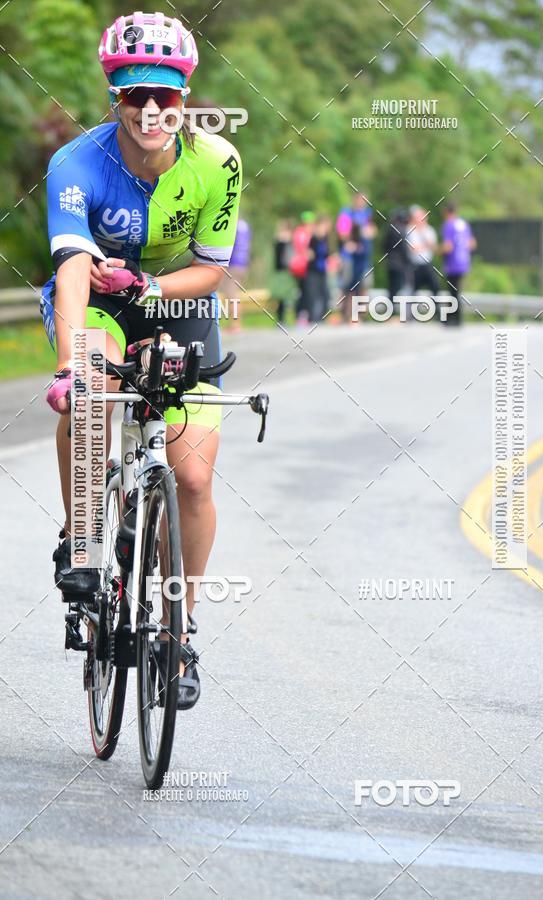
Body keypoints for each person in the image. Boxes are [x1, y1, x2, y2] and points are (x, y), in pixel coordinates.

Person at [41, 11, 242, 710]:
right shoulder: (75, 164)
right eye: (135, 95)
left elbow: (212, 269)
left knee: (194, 477)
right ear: (114, 98)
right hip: (96, 302)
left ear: (184, 98)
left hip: (174, 299)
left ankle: (179, 634)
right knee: (91, 387)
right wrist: (71, 366)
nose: (151, 109)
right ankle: (82, 540)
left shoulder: (217, 162)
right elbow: (72, 268)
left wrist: (150, 285)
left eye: (165, 95)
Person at [441, 203, 477, 326]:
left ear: (446, 212)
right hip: (464, 261)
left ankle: (453, 319)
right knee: (457, 290)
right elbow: (472, 243)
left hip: (452, 263)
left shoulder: (448, 225)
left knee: (452, 291)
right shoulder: (464, 224)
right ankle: (455, 318)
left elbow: (448, 246)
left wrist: (438, 251)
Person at [220, 216, 251, 331]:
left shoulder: (233, 225)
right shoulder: (245, 226)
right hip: (243, 263)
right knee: (235, 294)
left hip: (233, 264)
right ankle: (235, 323)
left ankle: (235, 324)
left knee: (232, 295)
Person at [269, 219, 297, 324]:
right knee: (280, 297)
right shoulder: (278, 242)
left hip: (287, 273)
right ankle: (281, 319)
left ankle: (286, 318)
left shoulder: (289, 242)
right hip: (280, 273)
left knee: (287, 297)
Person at [289, 211, 314, 324]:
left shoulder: (307, 232)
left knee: (306, 291)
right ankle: (301, 315)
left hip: (307, 266)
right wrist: (306, 253)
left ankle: (305, 314)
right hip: (301, 266)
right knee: (303, 291)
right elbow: (300, 248)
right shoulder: (300, 233)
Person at [305, 215, 332, 322]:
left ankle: (322, 317)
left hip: (322, 270)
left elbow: (327, 254)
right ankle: (313, 318)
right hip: (313, 271)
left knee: (325, 294)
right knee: (313, 295)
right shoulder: (313, 239)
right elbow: (309, 254)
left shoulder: (326, 239)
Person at [384, 207, 413, 304]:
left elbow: (384, 246)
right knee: (397, 287)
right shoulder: (402, 230)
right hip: (399, 264)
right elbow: (404, 249)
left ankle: (390, 307)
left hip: (391, 262)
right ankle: (391, 308)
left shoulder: (390, 229)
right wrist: (409, 262)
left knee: (392, 288)